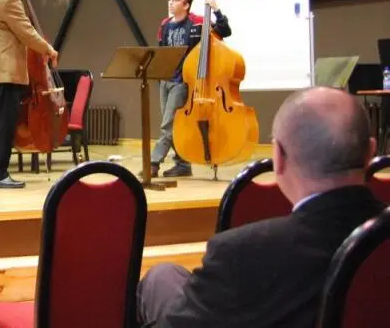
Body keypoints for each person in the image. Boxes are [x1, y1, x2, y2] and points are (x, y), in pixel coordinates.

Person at [137, 86, 385, 327]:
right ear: (371, 153)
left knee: (159, 282)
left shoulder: (243, 254)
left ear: (278, 158)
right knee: (165, 275)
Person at [0, 0, 59, 189]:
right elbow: (26, 32)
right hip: (7, 69)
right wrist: (49, 49)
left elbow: (3, 17)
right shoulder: (9, 1)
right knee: (4, 124)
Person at [148, 0, 232, 178]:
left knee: (167, 125)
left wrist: (216, 9)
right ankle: (183, 164)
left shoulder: (197, 22)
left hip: (182, 82)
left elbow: (225, 30)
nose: (170, 3)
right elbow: (162, 52)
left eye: (175, 0)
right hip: (165, 81)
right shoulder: (165, 25)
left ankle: (153, 163)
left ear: (185, 5)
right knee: (173, 125)